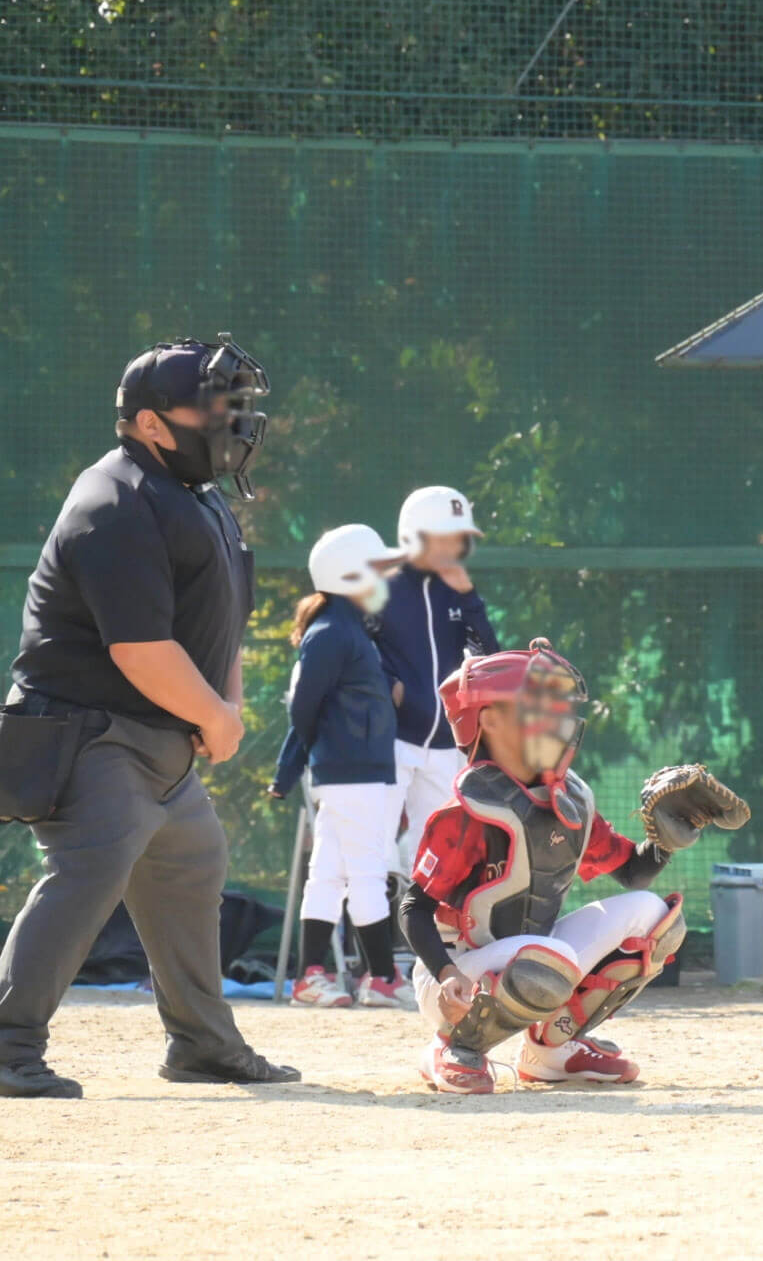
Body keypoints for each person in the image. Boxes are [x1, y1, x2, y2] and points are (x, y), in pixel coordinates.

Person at [0, 336, 297, 1097]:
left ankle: (203, 1046)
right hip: (91, 734)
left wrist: (223, 707)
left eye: (235, 403)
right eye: (214, 404)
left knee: (192, 865)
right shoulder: (116, 499)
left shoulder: (198, 498)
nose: (232, 420)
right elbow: (138, 648)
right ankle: (8, 1045)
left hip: (159, 741)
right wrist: (216, 718)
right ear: (151, 422)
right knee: (88, 875)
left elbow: (223, 619)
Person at [401, 639, 698, 1093]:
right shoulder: (467, 811)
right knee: (550, 956)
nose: (557, 719)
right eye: (537, 705)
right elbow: (414, 908)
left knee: (655, 916)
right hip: (455, 973)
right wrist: (447, 975)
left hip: (535, 955)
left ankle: (551, 1050)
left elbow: (632, 873)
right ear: (490, 720)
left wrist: (666, 842)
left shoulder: (568, 799)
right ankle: (452, 1046)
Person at [268, 524, 411, 1010]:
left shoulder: (349, 629)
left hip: (353, 772)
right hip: (352, 773)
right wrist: (298, 764)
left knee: (328, 872)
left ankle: (310, 977)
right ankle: (382, 978)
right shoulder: (333, 632)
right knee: (368, 873)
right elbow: (302, 709)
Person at [377, 485, 498, 877]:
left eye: (460, 537)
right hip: (391, 740)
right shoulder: (381, 587)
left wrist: (470, 598)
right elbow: (355, 652)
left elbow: (489, 660)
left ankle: (419, 919)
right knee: (375, 850)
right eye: (447, 536)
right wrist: (390, 687)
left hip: (446, 745)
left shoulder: (459, 594)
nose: (456, 547)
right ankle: (367, 915)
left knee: (436, 855)